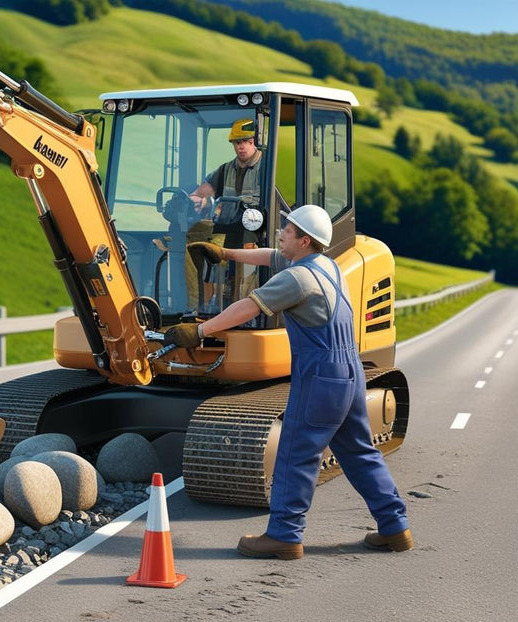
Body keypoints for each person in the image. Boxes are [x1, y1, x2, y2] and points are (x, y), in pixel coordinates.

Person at [165, 205, 412, 560]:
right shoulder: (325, 266)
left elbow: (248, 308)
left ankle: (284, 535)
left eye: (288, 229)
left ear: (305, 240)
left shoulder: (296, 280)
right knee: (360, 452)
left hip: (321, 375)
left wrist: (200, 330)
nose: (281, 232)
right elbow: (272, 256)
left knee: (296, 455)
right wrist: (225, 253)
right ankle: (395, 527)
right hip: (351, 372)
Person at [185, 118, 263, 310]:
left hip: (256, 232)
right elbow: (203, 191)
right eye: (238, 143)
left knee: (244, 274)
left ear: (255, 142)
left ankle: (244, 305)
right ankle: (204, 306)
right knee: (200, 243)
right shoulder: (226, 169)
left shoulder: (267, 167)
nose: (242, 147)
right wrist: (197, 199)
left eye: (247, 142)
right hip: (228, 229)